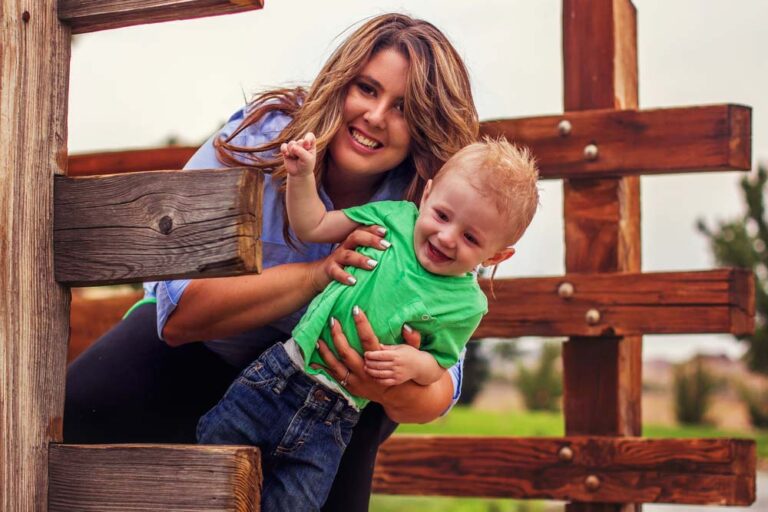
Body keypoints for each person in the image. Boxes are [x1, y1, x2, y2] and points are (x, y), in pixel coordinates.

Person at [64, 13, 480, 512]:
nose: (374, 116)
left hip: (332, 392)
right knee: (76, 411)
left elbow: (440, 386)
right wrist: (316, 275)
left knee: (354, 428)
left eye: (404, 109)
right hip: (206, 351)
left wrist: (388, 383)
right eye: (367, 89)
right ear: (341, 82)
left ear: (425, 130)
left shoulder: (432, 205)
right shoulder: (268, 137)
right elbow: (178, 317)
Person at [197, 136, 539, 510]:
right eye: (442, 215)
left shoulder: (465, 304)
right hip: (280, 375)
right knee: (209, 468)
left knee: (293, 503)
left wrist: (413, 364)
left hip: (334, 419)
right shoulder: (392, 218)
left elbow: (438, 363)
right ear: (426, 196)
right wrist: (301, 176)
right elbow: (314, 224)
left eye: (471, 237)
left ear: (498, 255)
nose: (446, 237)